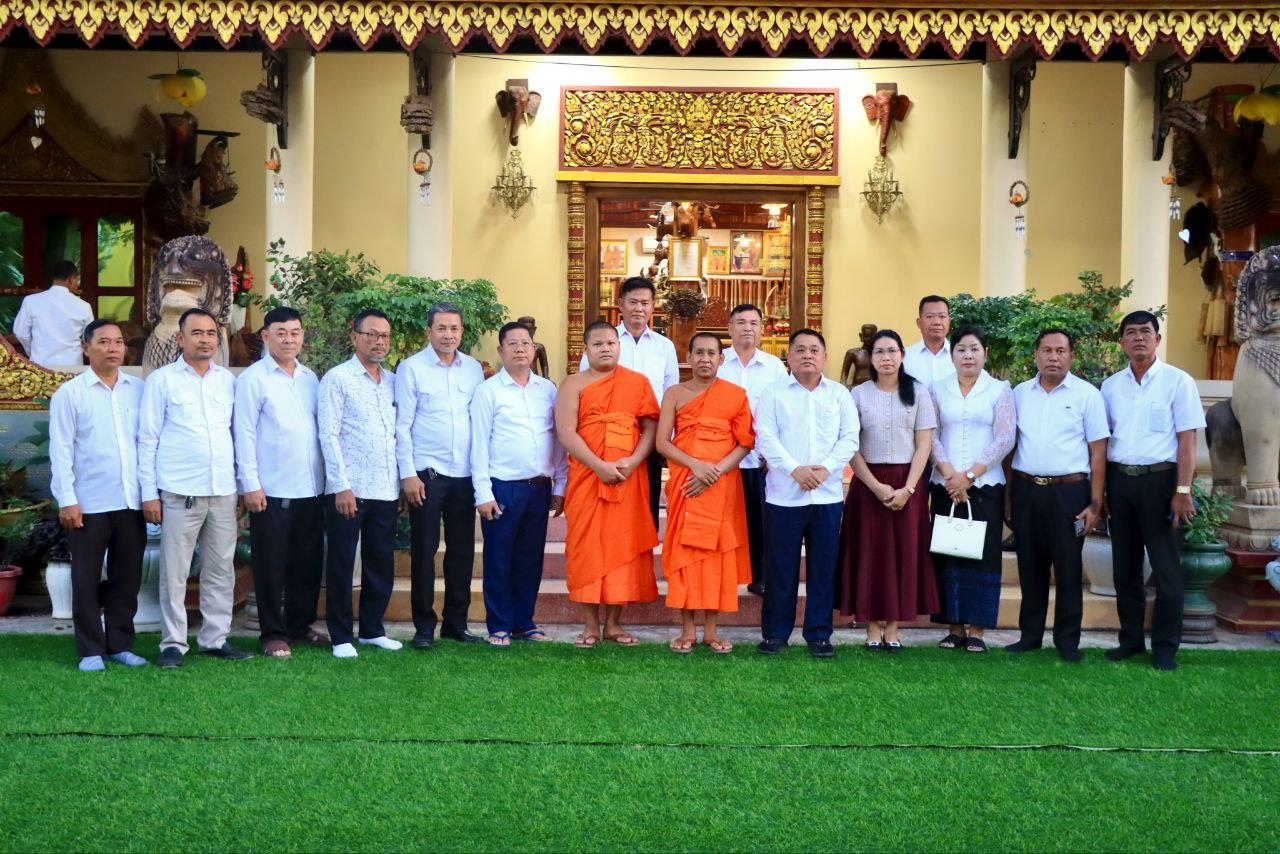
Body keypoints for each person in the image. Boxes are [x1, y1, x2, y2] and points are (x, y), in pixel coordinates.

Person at [138, 308, 251, 668]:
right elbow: (147, 439)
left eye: (211, 333)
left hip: (223, 490)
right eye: (197, 333)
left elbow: (237, 436)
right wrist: (149, 493)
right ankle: (173, 643)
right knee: (175, 571)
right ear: (180, 338)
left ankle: (215, 639)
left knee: (221, 568)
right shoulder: (162, 381)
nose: (205, 339)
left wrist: (241, 486)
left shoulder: (227, 381)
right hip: (179, 490)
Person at [1101, 311, 1205, 671]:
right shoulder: (1111, 386)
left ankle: (1165, 648)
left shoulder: (1178, 381)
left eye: (1146, 332)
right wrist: (1103, 493)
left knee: (1166, 571)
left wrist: (1182, 489)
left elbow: (1187, 440)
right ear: (1122, 343)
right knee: (1124, 570)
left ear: (1157, 339)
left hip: (1162, 484)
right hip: (1120, 483)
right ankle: (1130, 641)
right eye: (1130, 333)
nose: (1139, 338)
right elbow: (1103, 442)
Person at [755, 329, 858, 659]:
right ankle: (775, 634)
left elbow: (850, 438)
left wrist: (826, 469)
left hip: (826, 497)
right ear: (789, 357)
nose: (807, 355)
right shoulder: (773, 393)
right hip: (784, 496)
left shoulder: (839, 395)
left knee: (823, 569)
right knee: (780, 569)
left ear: (825, 357)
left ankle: (819, 634)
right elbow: (765, 437)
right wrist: (794, 469)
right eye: (800, 350)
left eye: (814, 350)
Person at [49, 319, 146, 671]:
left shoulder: (138, 390)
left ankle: (120, 643)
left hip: (131, 501)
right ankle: (90, 649)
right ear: (86, 348)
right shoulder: (70, 394)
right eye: (104, 342)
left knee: (127, 578)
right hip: (88, 503)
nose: (113, 348)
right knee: (85, 578)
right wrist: (67, 499)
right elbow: (61, 450)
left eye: (118, 342)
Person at [1007, 329, 1109, 662]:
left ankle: (1067, 642)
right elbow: (1010, 447)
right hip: (1026, 491)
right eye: (1047, 350)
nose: (1053, 357)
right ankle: (1029, 636)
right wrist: (1009, 498)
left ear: (1071, 356)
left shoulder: (1087, 395)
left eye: (1060, 351)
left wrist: (1095, 503)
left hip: (1069, 494)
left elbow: (1098, 453)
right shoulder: (1019, 394)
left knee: (1067, 569)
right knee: (1030, 567)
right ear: (1036, 355)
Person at [557, 320, 660, 648]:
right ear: (586, 349)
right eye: (598, 344)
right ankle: (590, 624)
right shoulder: (572, 384)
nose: (605, 349)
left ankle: (614, 623)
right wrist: (599, 466)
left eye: (611, 343)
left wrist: (634, 461)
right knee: (587, 547)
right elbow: (566, 433)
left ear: (619, 347)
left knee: (623, 547)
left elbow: (650, 429)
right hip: (588, 475)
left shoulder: (637, 382)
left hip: (628, 477)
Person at [233, 306, 328, 659]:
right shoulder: (253, 379)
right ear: (266, 336)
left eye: (295, 332)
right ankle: (272, 634)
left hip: (311, 488)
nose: (289, 339)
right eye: (281, 333)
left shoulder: (310, 378)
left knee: (307, 563)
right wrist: (250, 484)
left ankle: (300, 625)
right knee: (271, 566)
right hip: (271, 490)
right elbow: (243, 433)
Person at [839, 329, 939, 651]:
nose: (886, 357)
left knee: (902, 554)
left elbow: (924, 445)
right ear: (871, 358)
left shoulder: (919, 393)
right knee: (870, 554)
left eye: (892, 351)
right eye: (879, 352)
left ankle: (893, 628)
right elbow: (851, 446)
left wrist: (908, 489)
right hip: (868, 484)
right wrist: (874, 485)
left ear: (902, 355)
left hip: (908, 483)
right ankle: (871, 627)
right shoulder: (858, 395)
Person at [470, 321, 567, 647]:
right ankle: (499, 625)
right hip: (502, 488)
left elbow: (557, 441)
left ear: (534, 349)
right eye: (512, 344)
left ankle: (525, 622)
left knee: (530, 558)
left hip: (538, 487)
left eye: (526, 343)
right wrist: (483, 493)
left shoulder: (547, 390)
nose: (520, 349)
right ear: (501, 350)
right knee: (499, 559)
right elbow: (479, 444)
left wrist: (559, 485)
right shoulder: (488, 391)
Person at [657, 332, 755, 654]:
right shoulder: (674, 393)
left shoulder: (735, 395)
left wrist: (714, 472)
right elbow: (662, 442)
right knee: (686, 555)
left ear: (721, 359)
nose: (705, 359)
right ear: (688, 357)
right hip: (686, 482)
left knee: (716, 556)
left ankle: (712, 631)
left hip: (721, 484)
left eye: (711, 353)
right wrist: (696, 466)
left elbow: (745, 443)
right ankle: (687, 630)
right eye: (698, 352)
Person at [396, 302, 486, 647]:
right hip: (427, 475)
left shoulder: (473, 369)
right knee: (424, 551)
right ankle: (423, 627)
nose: (448, 335)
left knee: (462, 552)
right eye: (442, 328)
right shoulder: (411, 368)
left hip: (464, 475)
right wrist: (408, 474)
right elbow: (402, 425)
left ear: (462, 332)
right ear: (429, 331)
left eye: (454, 328)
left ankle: (456, 624)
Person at [318, 309, 402, 658]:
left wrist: (400, 482)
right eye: (372, 334)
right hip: (349, 490)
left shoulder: (394, 381)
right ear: (355, 337)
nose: (379, 341)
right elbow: (328, 433)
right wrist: (340, 485)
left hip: (386, 487)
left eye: (384, 336)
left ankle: (372, 630)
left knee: (380, 562)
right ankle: (340, 636)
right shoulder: (337, 379)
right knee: (341, 562)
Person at [927, 326, 1015, 653]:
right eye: (961, 349)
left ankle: (977, 629)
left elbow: (1005, 437)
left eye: (974, 349)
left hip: (985, 486)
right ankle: (954, 628)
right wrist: (950, 475)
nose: (968, 355)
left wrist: (970, 476)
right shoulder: (937, 389)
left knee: (983, 556)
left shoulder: (999, 389)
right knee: (949, 553)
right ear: (951, 355)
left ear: (985, 353)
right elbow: (930, 434)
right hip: (945, 485)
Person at [579, 277, 678, 528]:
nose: (639, 308)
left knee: (646, 503)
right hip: (605, 437)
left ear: (653, 306)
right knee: (606, 505)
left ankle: (642, 549)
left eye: (645, 303)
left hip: (649, 435)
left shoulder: (665, 347)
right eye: (633, 302)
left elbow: (670, 395)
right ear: (620, 304)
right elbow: (585, 386)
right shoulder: (604, 341)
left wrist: (666, 439)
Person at [716, 303, 786, 596]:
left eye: (753, 323)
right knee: (722, 522)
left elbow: (783, 411)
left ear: (761, 329)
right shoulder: (718, 362)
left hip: (760, 459)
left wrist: (774, 454)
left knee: (761, 523)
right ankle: (722, 579)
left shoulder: (775, 367)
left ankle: (760, 577)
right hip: (721, 459)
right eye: (741, 322)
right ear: (729, 328)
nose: (747, 328)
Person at [13, 260, 94, 369]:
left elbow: (20, 333)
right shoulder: (84, 306)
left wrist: (32, 351)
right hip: (72, 367)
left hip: (40, 366)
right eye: (77, 280)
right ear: (71, 279)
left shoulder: (31, 301)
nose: (77, 285)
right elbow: (90, 338)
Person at [903, 295, 956, 387]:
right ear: (919, 323)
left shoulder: (960, 356)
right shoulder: (905, 357)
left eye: (942, 316)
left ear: (949, 322)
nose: (937, 322)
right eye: (929, 316)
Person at [840, 323, 879, 388]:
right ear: (861, 336)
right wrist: (843, 385)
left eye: (871, 337)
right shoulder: (852, 353)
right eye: (866, 336)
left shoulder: (879, 354)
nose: (869, 339)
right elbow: (844, 372)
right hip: (856, 386)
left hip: (874, 388)